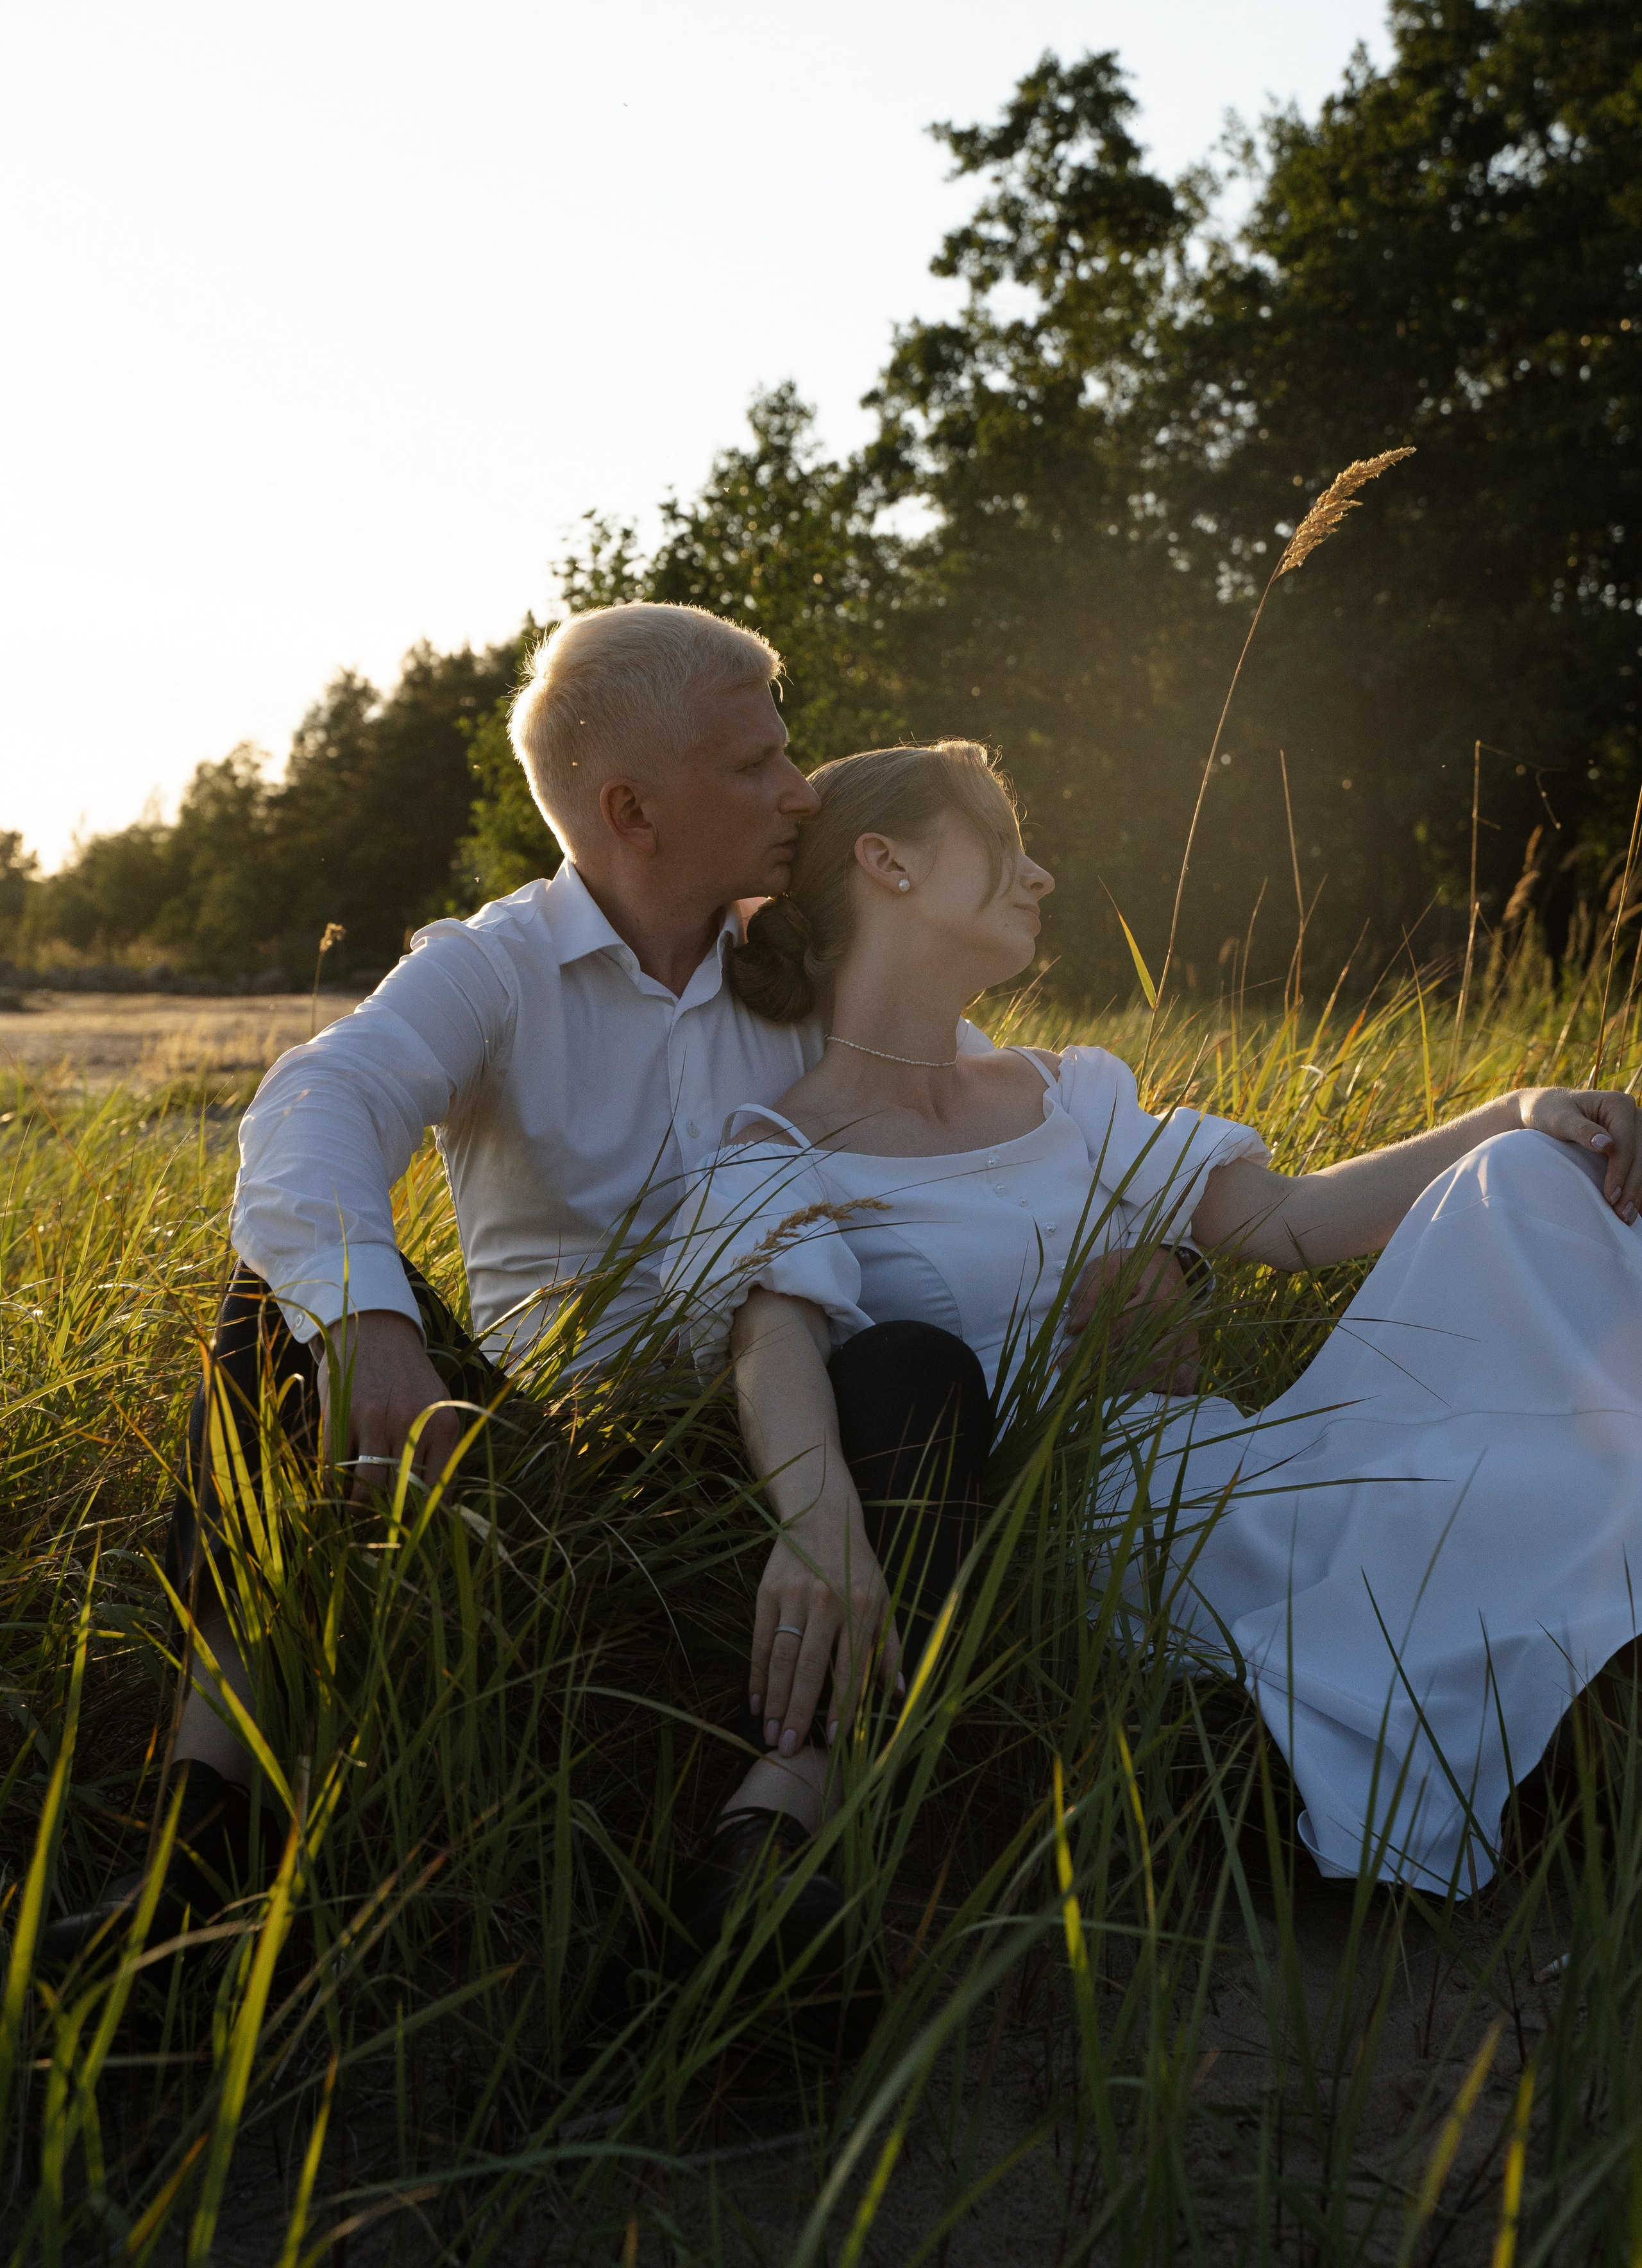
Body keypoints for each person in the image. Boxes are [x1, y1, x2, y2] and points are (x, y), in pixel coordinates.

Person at [44, 609, 1099, 1974]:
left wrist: (1152, 1254)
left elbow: (988, 1123)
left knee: (913, 1368)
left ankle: (772, 1866)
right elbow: (322, 1099)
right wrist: (369, 1322)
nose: (800, 791)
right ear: (631, 809)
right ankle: (197, 1877)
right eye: (757, 765)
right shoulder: (493, 968)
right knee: (269, 1304)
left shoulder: (798, 973)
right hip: (525, 1477)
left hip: (774, 1460)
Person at [662, 738, 1642, 1895]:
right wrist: (814, 1524)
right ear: (888, 863)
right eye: (1002, 840)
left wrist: (1518, 1111)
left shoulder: (1069, 1091)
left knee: (1531, 1178)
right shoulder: (780, 1150)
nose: (1041, 877)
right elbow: (773, 1345)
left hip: (1215, 1451)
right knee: (1503, 1509)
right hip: (1083, 1517)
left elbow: (1293, 1221)